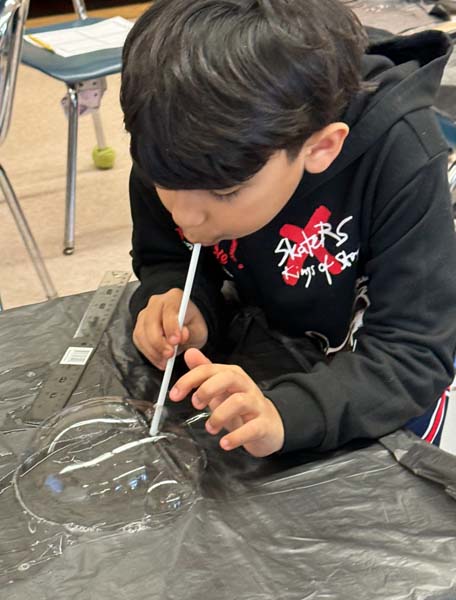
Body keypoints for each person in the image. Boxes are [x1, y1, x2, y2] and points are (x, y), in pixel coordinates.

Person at [120, 0, 456, 458]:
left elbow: (412, 353)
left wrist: (286, 415)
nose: (187, 217)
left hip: (385, 378)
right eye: (164, 182)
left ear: (321, 148)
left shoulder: (402, 154)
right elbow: (168, 255)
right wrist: (180, 297)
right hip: (277, 342)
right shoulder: (174, 141)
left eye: (225, 193)